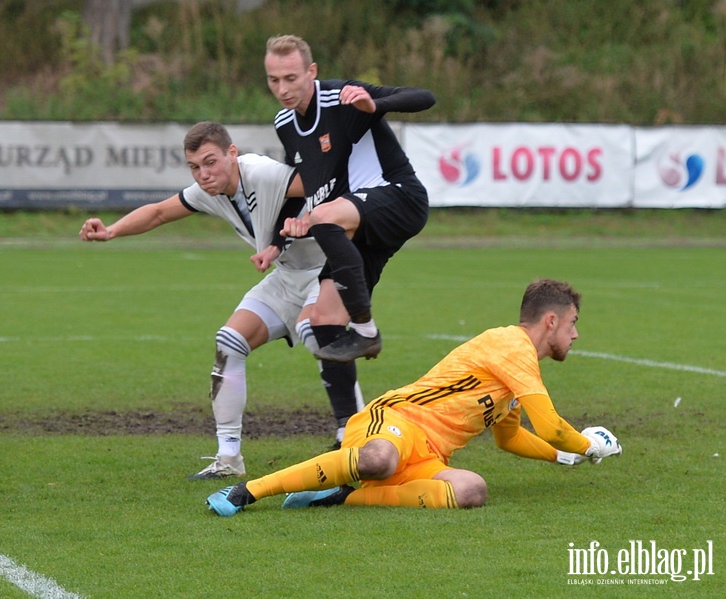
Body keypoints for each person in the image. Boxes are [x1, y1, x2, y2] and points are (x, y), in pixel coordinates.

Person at [80, 121, 364, 479]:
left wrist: (308, 219)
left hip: (326, 269)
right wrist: (112, 231)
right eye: (195, 167)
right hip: (287, 275)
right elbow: (159, 212)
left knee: (317, 331)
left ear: (233, 153)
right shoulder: (209, 192)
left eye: (211, 162)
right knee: (229, 341)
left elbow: (328, 184)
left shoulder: (260, 172)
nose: (203, 174)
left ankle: (353, 439)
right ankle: (228, 458)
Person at [206, 278, 623, 516]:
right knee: (379, 459)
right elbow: (550, 425)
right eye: (572, 323)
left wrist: (562, 456)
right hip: (395, 420)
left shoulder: (516, 370)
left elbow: (508, 437)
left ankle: (344, 494)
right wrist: (589, 445)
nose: (575, 334)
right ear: (551, 320)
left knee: (472, 490)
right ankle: (247, 492)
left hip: (427, 455)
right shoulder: (511, 347)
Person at [265, 34, 436, 364]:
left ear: (311, 71)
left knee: (323, 216)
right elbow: (299, 180)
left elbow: (424, 97)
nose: (282, 88)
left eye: (291, 78)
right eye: (274, 80)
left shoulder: (340, 98)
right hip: (356, 224)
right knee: (322, 323)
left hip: (399, 198)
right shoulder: (285, 123)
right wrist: (276, 241)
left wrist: (375, 106)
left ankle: (366, 331)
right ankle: (348, 418)